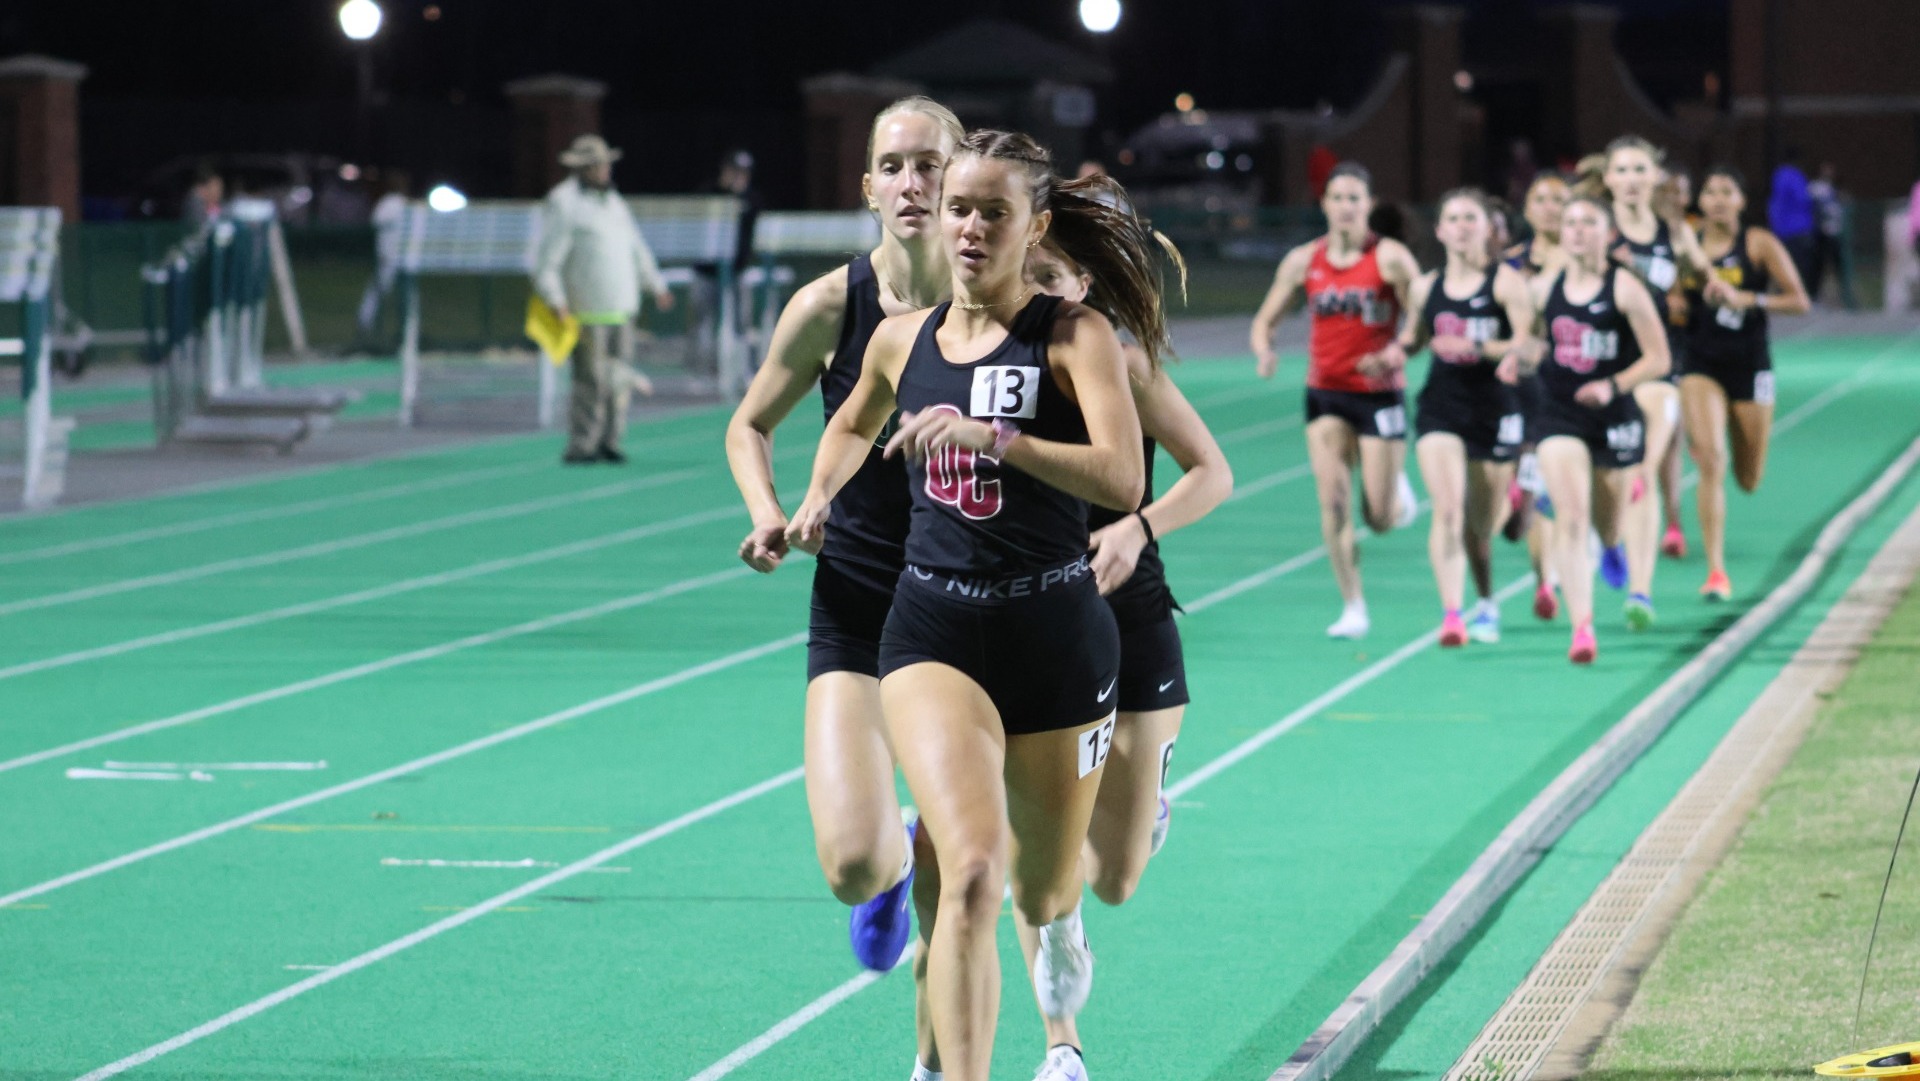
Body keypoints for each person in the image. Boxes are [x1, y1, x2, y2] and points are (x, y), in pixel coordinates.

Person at [786, 130, 1166, 1081]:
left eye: (994, 212)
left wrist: (1002, 441)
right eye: (959, 208)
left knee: (1043, 888)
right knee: (972, 872)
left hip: (1059, 634)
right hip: (934, 631)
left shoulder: (1072, 337)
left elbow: (1121, 479)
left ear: (1033, 225)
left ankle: (1063, 918)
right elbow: (849, 420)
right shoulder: (899, 338)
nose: (968, 228)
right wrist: (814, 500)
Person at [722, 99, 963, 1057]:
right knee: (854, 861)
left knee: (966, 874)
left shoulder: (1008, 307)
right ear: (867, 188)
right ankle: (893, 862)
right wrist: (767, 512)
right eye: (895, 166)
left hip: (965, 611)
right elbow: (748, 423)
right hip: (859, 602)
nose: (914, 182)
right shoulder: (832, 304)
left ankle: (936, 1063)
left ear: (963, 178)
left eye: (931, 164)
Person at [1013, 236, 1232, 1080]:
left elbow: (1212, 472)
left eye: (1051, 280)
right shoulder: (972, 361)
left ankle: (1142, 813)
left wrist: (1140, 527)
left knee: (1113, 878)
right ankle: (1061, 1046)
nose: (1034, 294)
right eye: (1022, 277)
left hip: (1131, 616)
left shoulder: (1125, 366)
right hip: (1031, 624)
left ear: (1083, 283)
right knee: (1042, 852)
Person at [1250, 162, 1421, 639]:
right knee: (1335, 502)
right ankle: (1353, 606)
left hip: (1379, 395)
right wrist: (1265, 351)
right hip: (1325, 393)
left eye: (1355, 199)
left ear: (1368, 205)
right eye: (1338, 198)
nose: (1346, 207)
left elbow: (1419, 320)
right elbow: (1266, 319)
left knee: (1379, 518)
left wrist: (1395, 352)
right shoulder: (1304, 260)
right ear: (1324, 204)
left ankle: (1397, 498)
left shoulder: (1390, 259)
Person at [1527, 196, 1671, 663]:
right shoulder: (1543, 287)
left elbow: (1660, 358)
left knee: (1608, 522)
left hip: (1613, 415)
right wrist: (1516, 357)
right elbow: (1531, 338)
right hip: (1559, 413)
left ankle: (1612, 546)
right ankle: (1582, 627)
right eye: (1570, 222)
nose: (1577, 230)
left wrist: (1613, 384)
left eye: (1589, 222)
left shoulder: (1626, 288)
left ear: (1607, 234)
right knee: (1571, 515)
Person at [1399, 190, 1535, 646]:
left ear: (1486, 227)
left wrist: (1478, 348)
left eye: (1469, 218)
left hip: (1495, 409)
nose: (1460, 226)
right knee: (1448, 509)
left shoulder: (1506, 284)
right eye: (1452, 218)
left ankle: (1486, 601)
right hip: (1441, 406)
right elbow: (1414, 339)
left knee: (1482, 529)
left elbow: (1529, 344)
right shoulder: (1425, 287)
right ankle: (1453, 614)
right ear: (1439, 230)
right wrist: (1389, 355)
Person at [1681, 166, 1810, 600]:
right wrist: (1676, 304)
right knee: (1711, 460)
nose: (1717, 199)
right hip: (1700, 365)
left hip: (1751, 367)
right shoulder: (1687, 245)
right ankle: (1716, 571)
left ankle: (1736, 461)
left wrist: (1748, 298)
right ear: (1699, 202)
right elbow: (1669, 302)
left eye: (1726, 191)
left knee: (1748, 477)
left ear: (1740, 200)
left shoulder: (1758, 244)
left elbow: (1799, 300)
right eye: (1709, 191)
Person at [1602, 135, 1708, 629]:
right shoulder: (1593, 230)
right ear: (1607, 179)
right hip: (1599, 370)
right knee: (1609, 479)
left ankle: (1640, 592)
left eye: (1639, 170)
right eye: (1620, 170)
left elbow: (1707, 275)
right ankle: (1606, 537)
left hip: (1656, 368)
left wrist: (1719, 291)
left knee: (1641, 469)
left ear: (1655, 178)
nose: (1630, 180)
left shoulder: (1674, 234)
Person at [532, 133, 675, 465]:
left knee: (619, 381)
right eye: (598, 165)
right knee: (591, 382)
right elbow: (547, 261)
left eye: (606, 163)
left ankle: (611, 441)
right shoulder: (563, 202)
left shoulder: (613, 201)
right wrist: (555, 298)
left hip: (622, 308)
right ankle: (583, 444)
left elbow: (635, 246)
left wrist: (656, 284)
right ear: (582, 168)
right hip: (586, 309)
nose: (605, 170)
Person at [1504, 173, 1572, 622]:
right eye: (1540, 199)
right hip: (1525, 389)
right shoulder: (1509, 266)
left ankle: (1572, 556)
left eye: (1558, 200)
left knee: (1564, 488)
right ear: (1527, 209)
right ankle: (1544, 580)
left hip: (1576, 387)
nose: (1549, 207)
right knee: (1534, 485)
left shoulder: (1590, 260)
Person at [355, 169, 410, 347]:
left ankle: (405, 329)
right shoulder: (394, 203)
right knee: (382, 291)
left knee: (397, 293)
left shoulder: (392, 203)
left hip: (396, 254)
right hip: (394, 255)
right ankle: (366, 323)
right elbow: (377, 223)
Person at [1806, 162, 1857, 308]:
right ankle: (1814, 297)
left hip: (1835, 234)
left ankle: (1845, 297)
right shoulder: (1815, 187)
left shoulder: (1833, 188)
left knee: (1839, 267)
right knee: (1818, 267)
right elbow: (1816, 206)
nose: (1829, 172)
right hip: (1821, 235)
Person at [1768, 147, 1817, 291]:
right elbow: (1803, 198)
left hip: (1780, 228)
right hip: (1798, 228)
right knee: (1801, 264)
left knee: (1783, 262)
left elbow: (1775, 201)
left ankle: (1783, 291)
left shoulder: (1778, 175)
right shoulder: (1795, 175)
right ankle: (1798, 293)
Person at [182, 162, 223, 231]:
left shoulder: (220, 207)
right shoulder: (195, 203)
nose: (219, 192)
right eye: (215, 187)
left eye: (220, 188)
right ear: (202, 188)